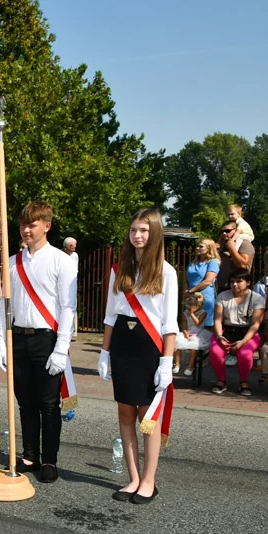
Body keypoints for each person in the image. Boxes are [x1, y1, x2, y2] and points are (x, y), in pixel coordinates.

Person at [98, 208, 178, 505]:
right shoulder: (119, 269)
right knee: (125, 414)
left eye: (143, 230)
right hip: (122, 344)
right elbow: (109, 315)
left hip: (148, 348)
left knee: (148, 419)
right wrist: (104, 353)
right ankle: (132, 478)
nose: (137, 235)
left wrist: (166, 363)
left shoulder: (166, 272)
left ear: (154, 233)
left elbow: (169, 324)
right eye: (133, 230)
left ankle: (148, 480)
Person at [0, 204, 78, 482]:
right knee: (25, 402)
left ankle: (50, 460)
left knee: (49, 404)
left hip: (46, 339)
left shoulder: (61, 261)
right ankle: (30, 454)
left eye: (33, 224)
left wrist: (61, 349)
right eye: (23, 225)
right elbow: (4, 306)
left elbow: (68, 308)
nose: (26, 230)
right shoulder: (12, 262)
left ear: (47, 226)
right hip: (17, 337)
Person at [209, 268, 266, 396]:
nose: (234, 284)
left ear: (248, 283)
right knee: (215, 351)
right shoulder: (222, 296)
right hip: (226, 330)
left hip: (247, 332)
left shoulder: (257, 299)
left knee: (245, 354)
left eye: (239, 281)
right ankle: (221, 380)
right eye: (232, 281)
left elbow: (256, 324)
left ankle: (243, 381)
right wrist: (219, 336)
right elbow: (217, 319)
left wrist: (244, 341)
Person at [174, 292, 211, 376]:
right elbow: (183, 325)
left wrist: (191, 314)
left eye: (193, 306)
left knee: (193, 346)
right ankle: (177, 363)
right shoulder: (185, 313)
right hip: (188, 331)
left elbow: (197, 323)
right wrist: (185, 332)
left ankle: (190, 367)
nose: (190, 308)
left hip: (198, 333)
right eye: (189, 305)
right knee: (178, 342)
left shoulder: (203, 313)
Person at [184, 238, 220, 327]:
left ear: (209, 248)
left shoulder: (213, 262)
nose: (197, 248)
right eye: (197, 246)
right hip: (191, 297)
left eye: (200, 246)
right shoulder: (193, 263)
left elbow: (208, 281)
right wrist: (185, 290)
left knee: (205, 326)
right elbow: (186, 278)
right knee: (190, 324)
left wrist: (191, 291)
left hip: (204, 298)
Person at [217, 220, 254, 291]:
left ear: (236, 231)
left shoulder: (244, 244)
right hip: (221, 286)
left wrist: (232, 249)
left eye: (228, 231)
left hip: (237, 286)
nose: (224, 233)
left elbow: (243, 265)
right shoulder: (223, 243)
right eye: (223, 231)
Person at [62, 237, 79, 340]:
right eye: (72, 246)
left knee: (73, 306)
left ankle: (74, 331)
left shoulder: (75, 256)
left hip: (72, 283)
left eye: (75, 246)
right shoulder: (59, 255)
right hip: (62, 283)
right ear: (66, 247)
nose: (74, 248)